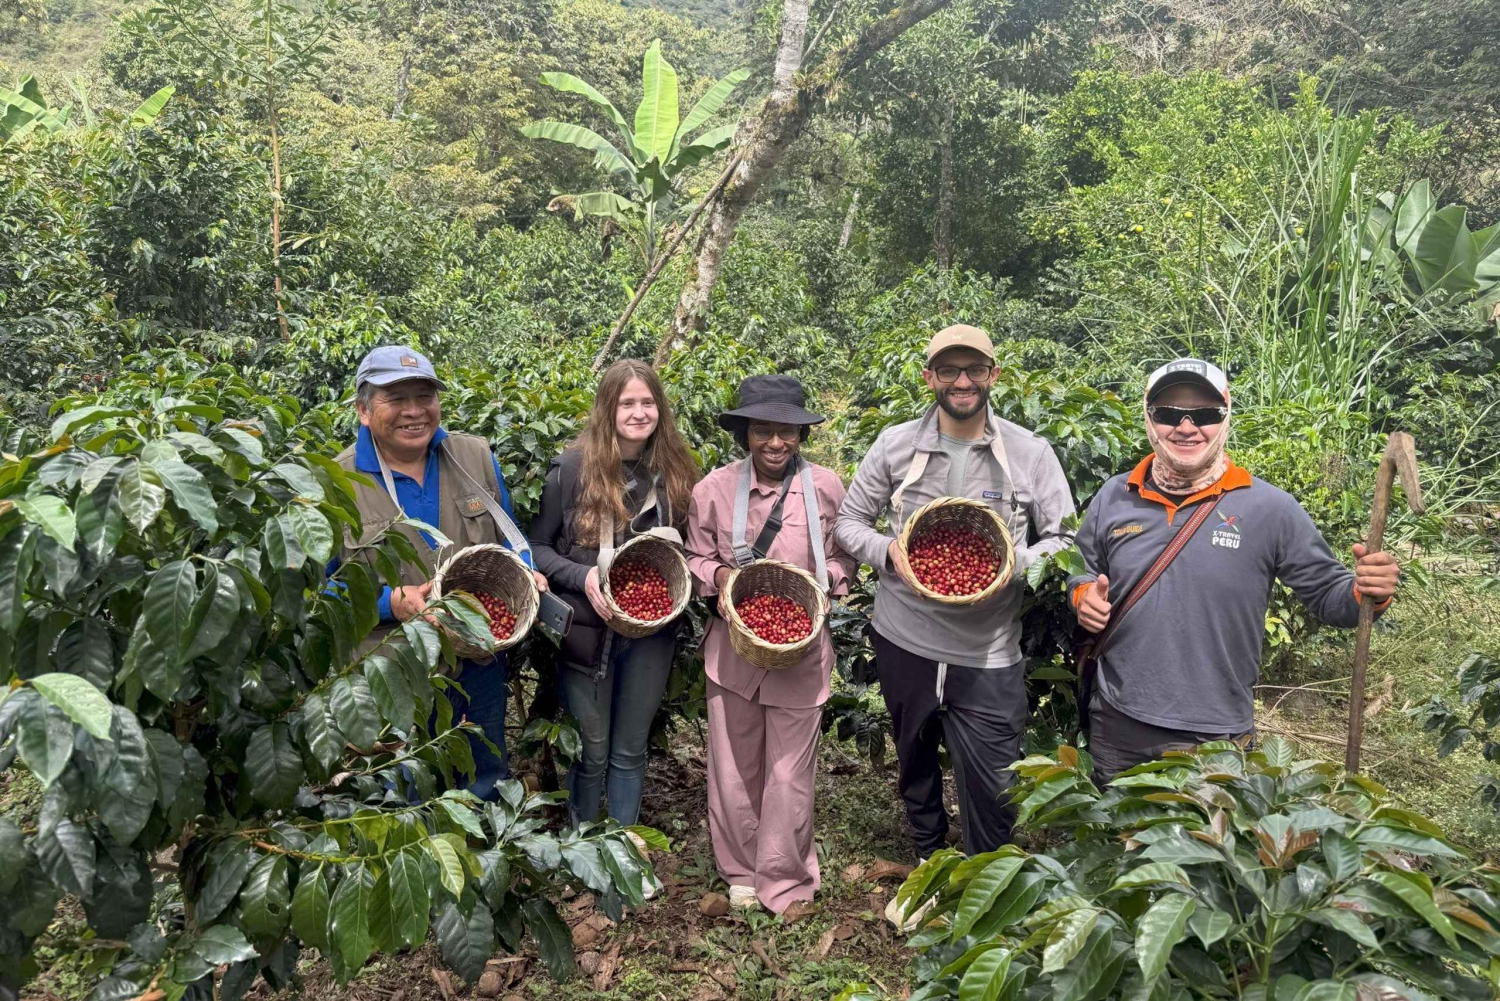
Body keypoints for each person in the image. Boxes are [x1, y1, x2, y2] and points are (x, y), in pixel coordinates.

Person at [834, 325, 1076, 912]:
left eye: (974, 369)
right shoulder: (895, 445)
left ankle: (986, 875)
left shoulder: (1030, 453)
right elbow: (848, 523)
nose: (962, 381)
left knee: (995, 776)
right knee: (913, 753)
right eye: (949, 370)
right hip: (905, 637)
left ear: (994, 376)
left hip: (989, 649)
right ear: (930, 378)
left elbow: (1067, 538)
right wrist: (889, 551)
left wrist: (1017, 563)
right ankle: (928, 855)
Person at [1069, 358, 1400, 782]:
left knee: (1211, 829)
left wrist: (1367, 590)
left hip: (1215, 737)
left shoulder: (1271, 508)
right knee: (1111, 826)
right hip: (1117, 725)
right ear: (1149, 418)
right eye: (1169, 413)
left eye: (1205, 414)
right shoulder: (1114, 495)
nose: (1186, 428)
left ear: (1225, 417)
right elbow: (1082, 566)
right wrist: (1082, 595)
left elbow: (1328, 596)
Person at [332, 345, 547, 801]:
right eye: (396, 398)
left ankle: (483, 842)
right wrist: (390, 602)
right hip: (393, 668)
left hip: (477, 657)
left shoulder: (473, 456)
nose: (415, 411)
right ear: (364, 411)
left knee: (482, 772)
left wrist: (527, 572)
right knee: (402, 788)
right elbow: (317, 596)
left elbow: (512, 539)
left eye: (425, 396)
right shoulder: (339, 483)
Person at [684, 375, 858, 915]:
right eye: (763, 430)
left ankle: (784, 878)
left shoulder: (826, 487)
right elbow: (694, 559)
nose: (775, 443)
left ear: (802, 435)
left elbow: (845, 556)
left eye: (787, 432)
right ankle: (740, 870)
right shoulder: (713, 490)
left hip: (801, 650)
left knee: (789, 772)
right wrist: (722, 581)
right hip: (733, 652)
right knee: (734, 767)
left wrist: (824, 582)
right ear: (746, 434)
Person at [529, 359, 699, 830]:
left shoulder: (674, 471)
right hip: (586, 632)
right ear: (608, 408)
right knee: (591, 750)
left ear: (660, 408)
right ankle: (584, 844)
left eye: (648, 402)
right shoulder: (571, 469)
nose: (639, 413)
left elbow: (694, 545)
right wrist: (582, 576)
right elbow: (537, 548)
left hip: (651, 632)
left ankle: (623, 844)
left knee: (629, 749)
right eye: (627, 403)